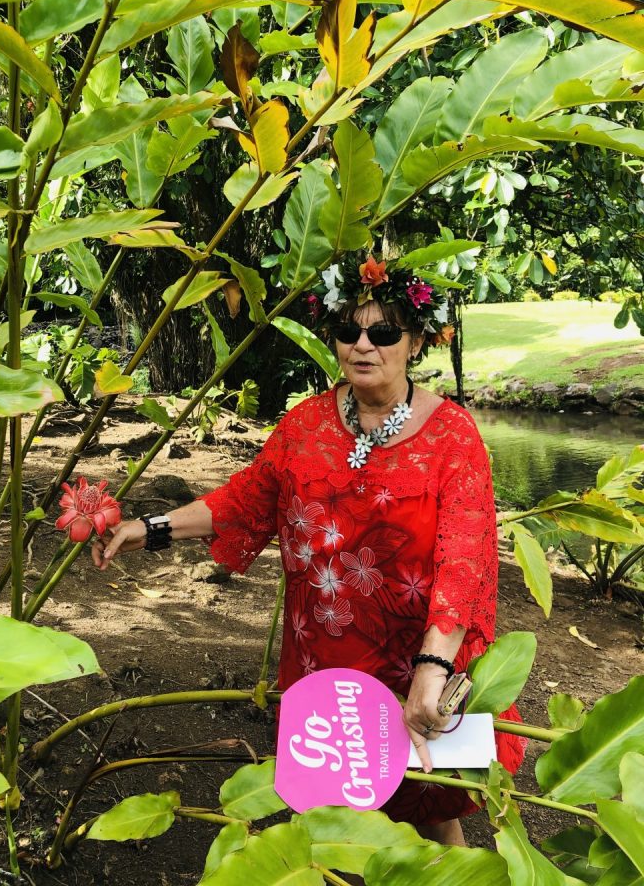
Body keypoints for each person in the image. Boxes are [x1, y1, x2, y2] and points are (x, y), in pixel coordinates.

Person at [92, 253, 526, 845]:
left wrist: (434, 664)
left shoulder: (453, 436)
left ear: (416, 341)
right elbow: (245, 501)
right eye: (349, 331)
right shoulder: (305, 425)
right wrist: (150, 528)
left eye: (383, 332)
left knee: (428, 809)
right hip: (322, 661)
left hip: (413, 660)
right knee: (327, 816)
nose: (363, 346)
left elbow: (465, 558)